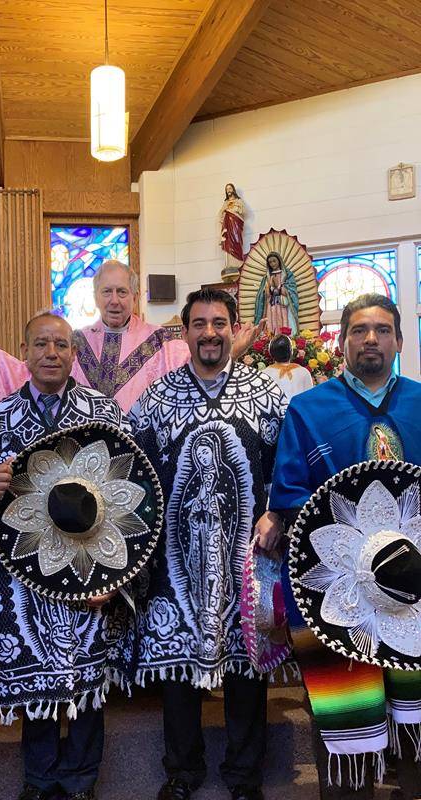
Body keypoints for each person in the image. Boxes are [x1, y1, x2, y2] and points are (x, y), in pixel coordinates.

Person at [0, 311, 136, 800]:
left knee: (86, 677)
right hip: (19, 577)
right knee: (31, 677)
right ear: (25, 353)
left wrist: (116, 577)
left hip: (90, 567)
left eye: (60, 345)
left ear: (74, 354)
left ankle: (80, 781)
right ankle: (38, 780)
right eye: (40, 344)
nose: (51, 354)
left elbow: (135, 491)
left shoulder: (104, 413)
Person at [130, 287, 287, 800]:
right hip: (176, 559)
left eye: (219, 323)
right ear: (186, 332)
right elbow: (135, 473)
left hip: (249, 556)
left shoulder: (265, 393)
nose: (210, 333)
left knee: (247, 666)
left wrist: (277, 514)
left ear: (233, 328)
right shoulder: (158, 397)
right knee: (177, 668)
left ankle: (244, 775)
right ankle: (182, 771)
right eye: (199, 324)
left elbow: (287, 465)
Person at [269, 293, 421, 800]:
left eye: (382, 330)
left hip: (415, 590)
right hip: (335, 591)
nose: (371, 339)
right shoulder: (308, 410)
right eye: (359, 330)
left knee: (419, 718)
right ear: (342, 343)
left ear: (399, 341)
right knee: (345, 710)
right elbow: (288, 492)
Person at [0, 259, 263, 413]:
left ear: (135, 296)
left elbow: (194, 373)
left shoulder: (162, 341)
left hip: (143, 447)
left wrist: (231, 352)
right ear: (96, 297)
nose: (114, 300)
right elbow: (35, 375)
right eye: (107, 292)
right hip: (84, 449)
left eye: (122, 292)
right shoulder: (75, 342)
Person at [254, 252, 299, 335]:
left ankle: (286, 338)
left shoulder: (286, 275)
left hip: (283, 305)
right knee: (271, 323)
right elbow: (263, 294)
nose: (272, 264)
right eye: (270, 262)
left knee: (284, 321)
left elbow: (291, 290)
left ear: (279, 261)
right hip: (271, 305)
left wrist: (279, 287)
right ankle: (271, 338)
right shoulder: (267, 277)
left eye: (274, 261)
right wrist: (270, 289)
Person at [262, 333, 314, 401]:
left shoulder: (264, 374)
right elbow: (310, 399)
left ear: (270, 352)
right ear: (291, 351)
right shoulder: (304, 372)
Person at [219, 183, 245, 280]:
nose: (229, 190)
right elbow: (220, 214)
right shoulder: (225, 203)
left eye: (230, 188)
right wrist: (225, 211)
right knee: (228, 244)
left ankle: (238, 264)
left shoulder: (238, 201)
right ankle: (230, 265)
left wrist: (236, 209)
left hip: (236, 225)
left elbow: (243, 211)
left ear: (233, 189)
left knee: (236, 242)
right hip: (228, 226)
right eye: (227, 189)